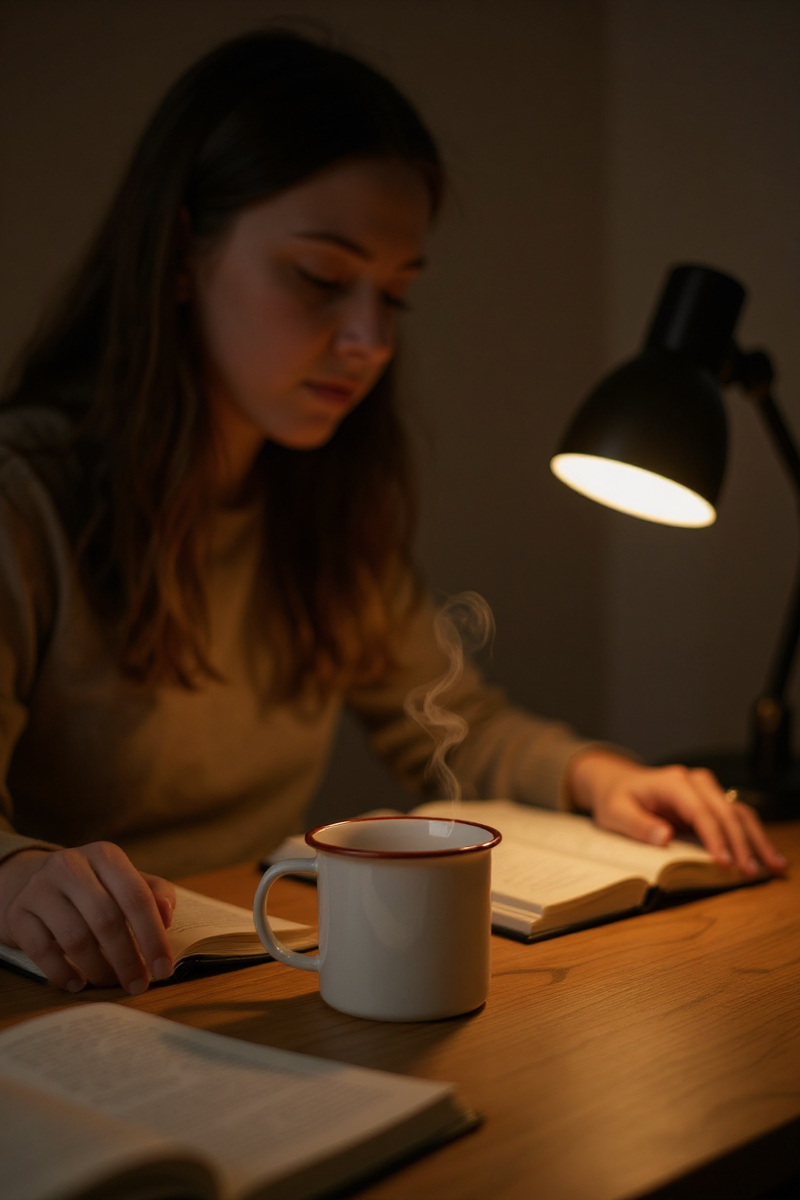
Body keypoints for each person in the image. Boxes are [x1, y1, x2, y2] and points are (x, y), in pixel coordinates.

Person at [0, 31, 785, 997]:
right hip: (67, 1001)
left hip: (250, 973)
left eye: (396, 296)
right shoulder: (23, 501)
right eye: (323, 279)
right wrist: (17, 877)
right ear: (180, 255)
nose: (369, 339)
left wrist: (598, 775)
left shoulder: (317, 505)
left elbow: (454, 723)